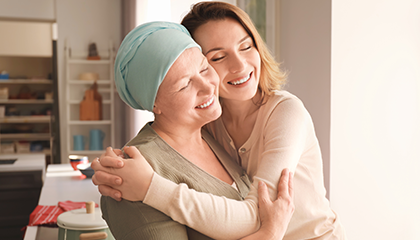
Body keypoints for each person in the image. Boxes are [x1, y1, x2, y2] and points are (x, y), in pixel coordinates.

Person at [93, 1, 346, 239]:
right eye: (217, 58)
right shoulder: (210, 121)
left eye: (246, 46)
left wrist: (151, 187)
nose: (239, 65)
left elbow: (256, 215)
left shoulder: (285, 113)